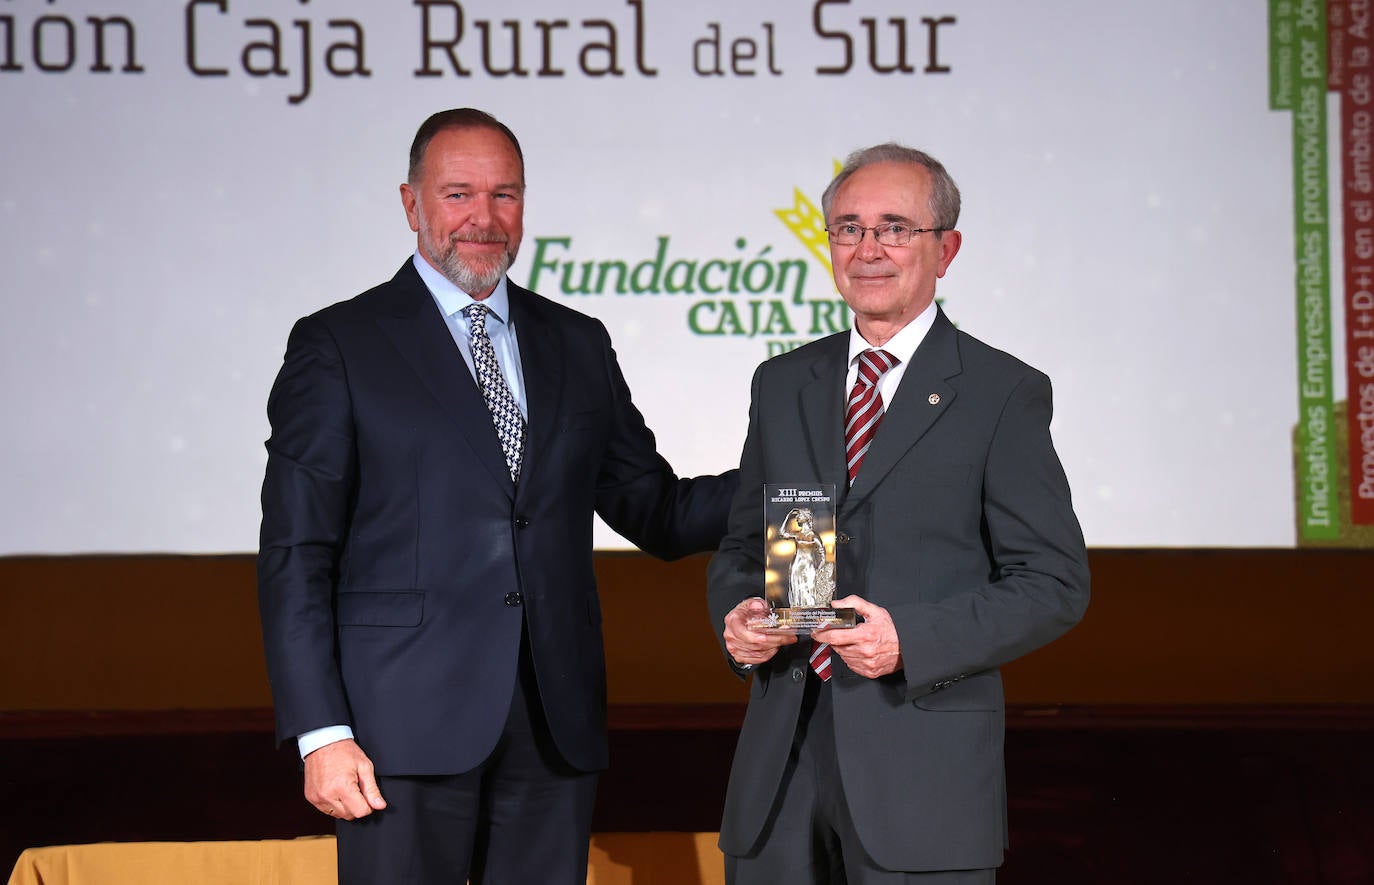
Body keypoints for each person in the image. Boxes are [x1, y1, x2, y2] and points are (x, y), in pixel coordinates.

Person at [257, 108, 737, 885]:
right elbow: (296, 552)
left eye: (504, 194)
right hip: (395, 733)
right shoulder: (338, 344)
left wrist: (799, 478)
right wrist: (321, 729)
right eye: (458, 194)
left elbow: (657, 509)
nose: (484, 217)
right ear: (411, 204)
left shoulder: (577, 341)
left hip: (552, 728)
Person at [707, 143, 1090, 884]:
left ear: (946, 249)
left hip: (924, 779)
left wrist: (908, 639)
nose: (869, 248)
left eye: (895, 228)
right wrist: (740, 618)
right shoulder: (781, 382)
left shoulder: (1002, 392)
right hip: (779, 775)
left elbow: (1054, 583)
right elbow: (742, 546)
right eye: (849, 228)